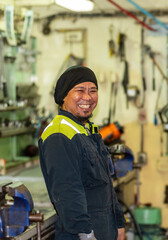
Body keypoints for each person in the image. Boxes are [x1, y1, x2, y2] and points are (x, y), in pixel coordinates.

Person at [38, 66, 126, 240]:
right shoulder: (59, 134)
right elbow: (68, 192)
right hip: (82, 234)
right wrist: (86, 235)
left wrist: (119, 224)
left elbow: (105, 184)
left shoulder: (86, 130)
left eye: (93, 91)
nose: (87, 97)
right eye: (80, 90)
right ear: (64, 96)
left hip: (104, 229)